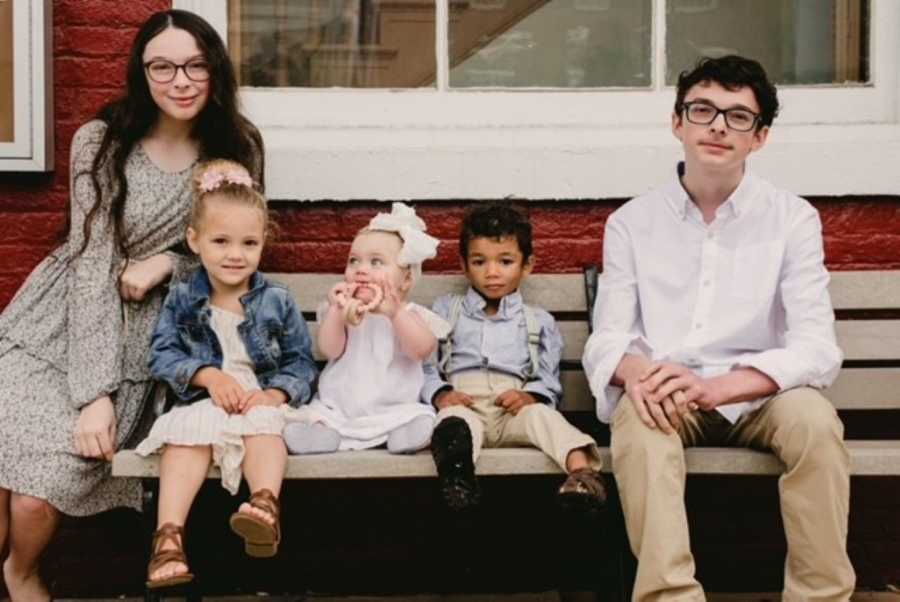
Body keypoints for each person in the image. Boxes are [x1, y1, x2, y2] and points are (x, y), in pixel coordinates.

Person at [0, 9, 263, 601]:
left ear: (215, 70)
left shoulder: (235, 147)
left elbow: (239, 245)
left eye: (196, 65)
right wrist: (93, 394)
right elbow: (92, 263)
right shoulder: (102, 141)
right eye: (162, 66)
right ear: (141, 73)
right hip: (56, 323)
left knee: (38, 490)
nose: (181, 80)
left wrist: (169, 261)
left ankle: (21, 573)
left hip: (146, 338)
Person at [582, 55, 855, 601]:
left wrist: (722, 386)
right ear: (677, 121)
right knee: (640, 418)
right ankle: (671, 597)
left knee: (817, 425)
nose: (717, 126)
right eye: (703, 109)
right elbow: (608, 338)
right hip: (669, 392)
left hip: (759, 393)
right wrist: (644, 374)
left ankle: (821, 597)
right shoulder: (632, 223)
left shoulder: (792, 218)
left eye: (738, 116)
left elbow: (816, 346)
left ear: (760, 137)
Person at [136, 160, 316, 587]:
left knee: (265, 428)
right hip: (203, 398)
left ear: (262, 244)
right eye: (221, 241)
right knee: (187, 437)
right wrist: (206, 376)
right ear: (194, 241)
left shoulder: (276, 299)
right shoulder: (183, 297)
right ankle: (168, 541)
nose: (236, 254)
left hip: (258, 398)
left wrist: (276, 394)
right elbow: (161, 354)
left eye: (249, 243)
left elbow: (301, 362)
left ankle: (264, 506)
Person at [422, 203, 606, 512]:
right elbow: (424, 365)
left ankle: (582, 476)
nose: (492, 272)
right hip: (465, 403)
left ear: (527, 265)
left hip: (513, 412)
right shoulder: (445, 310)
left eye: (505, 261)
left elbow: (548, 377)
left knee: (546, 419)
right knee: (453, 426)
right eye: (479, 262)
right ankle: (458, 483)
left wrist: (530, 396)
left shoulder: (538, 321)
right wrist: (440, 394)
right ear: (465, 266)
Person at [283, 202, 450, 455]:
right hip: (340, 406)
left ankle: (404, 435)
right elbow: (330, 350)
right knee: (321, 414)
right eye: (354, 261)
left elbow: (421, 350)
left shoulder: (410, 314)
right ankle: (323, 434)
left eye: (376, 262)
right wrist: (337, 313)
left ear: (406, 279)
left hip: (395, 408)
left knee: (418, 416)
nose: (361, 269)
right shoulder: (345, 311)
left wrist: (395, 314)